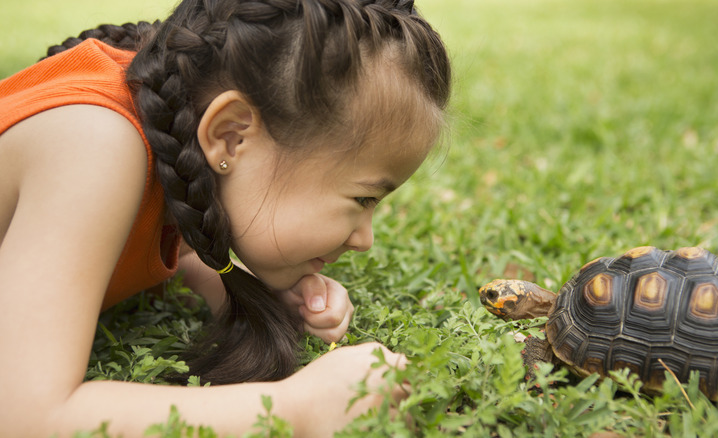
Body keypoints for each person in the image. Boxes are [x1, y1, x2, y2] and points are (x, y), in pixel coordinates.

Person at [0, 0, 450, 436]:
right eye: (363, 198)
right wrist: (300, 408)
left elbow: (140, 239)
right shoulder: (94, 143)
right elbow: (26, 416)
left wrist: (237, 283)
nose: (364, 239)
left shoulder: (165, 125)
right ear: (231, 136)